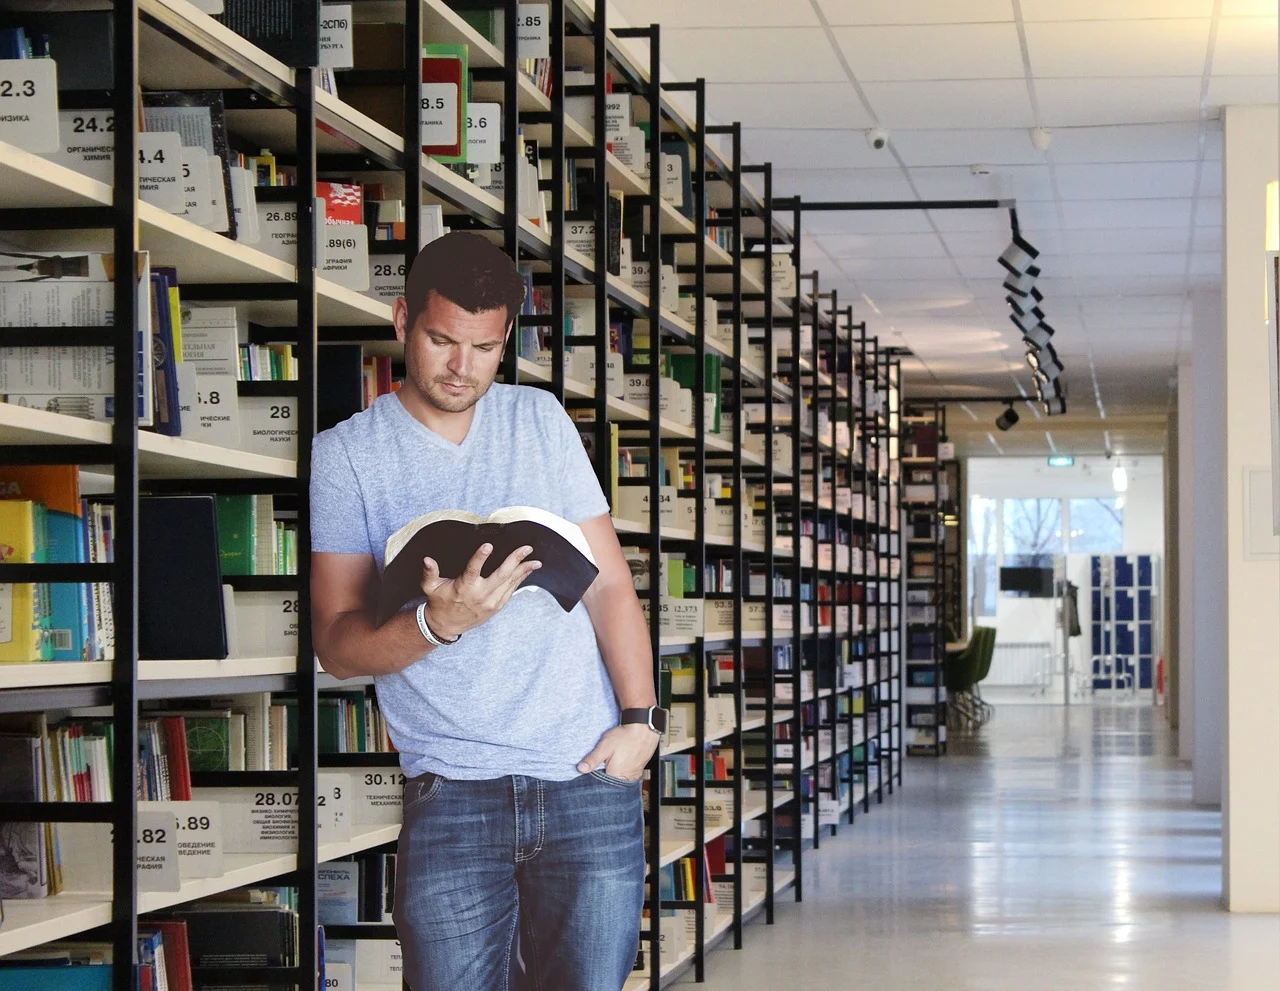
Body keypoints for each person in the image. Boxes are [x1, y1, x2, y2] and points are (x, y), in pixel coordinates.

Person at [309, 231, 665, 991]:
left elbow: (607, 585)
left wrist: (642, 721)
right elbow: (337, 645)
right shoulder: (348, 455)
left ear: (506, 339)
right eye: (441, 339)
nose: (460, 367)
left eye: (484, 346)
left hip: (586, 774)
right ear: (403, 318)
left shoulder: (541, 421)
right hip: (452, 790)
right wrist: (439, 624)